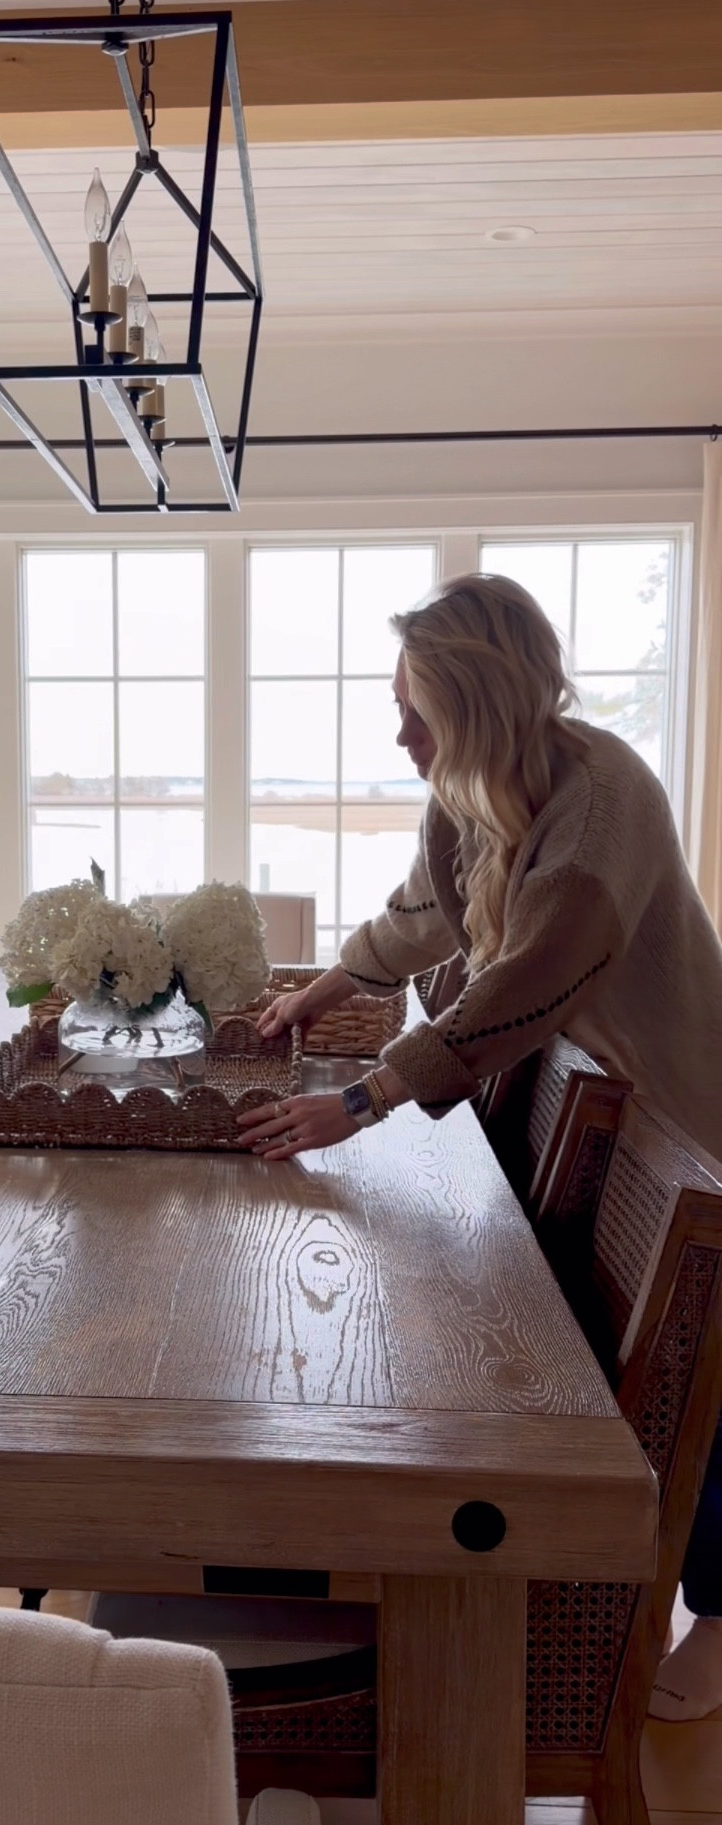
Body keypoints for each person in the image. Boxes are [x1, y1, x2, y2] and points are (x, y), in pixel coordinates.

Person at [237, 573, 722, 1720]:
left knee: (707, 1373)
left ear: (482, 700)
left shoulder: (606, 798)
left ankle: (715, 1619)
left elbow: (528, 984)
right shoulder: (466, 794)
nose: (399, 731)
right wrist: (322, 989)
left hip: (697, 1110)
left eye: (419, 710)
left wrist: (358, 1102)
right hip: (621, 1103)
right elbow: (420, 917)